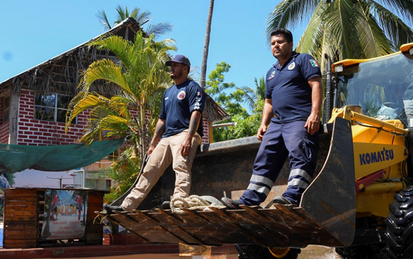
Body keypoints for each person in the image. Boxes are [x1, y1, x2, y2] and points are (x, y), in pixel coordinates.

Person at [222, 28, 322, 208]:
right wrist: (263, 123)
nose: (276, 46)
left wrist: (314, 114)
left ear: (291, 44)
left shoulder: (303, 60)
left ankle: (292, 198)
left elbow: (316, 85)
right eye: (273, 43)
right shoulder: (271, 72)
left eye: (280, 42)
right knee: (264, 157)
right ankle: (249, 201)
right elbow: (268, 102)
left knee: (300, 152)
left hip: (299, 118)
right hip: (277, 122)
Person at [105, 54, 205, 212]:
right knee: (149, 170)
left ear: (185, 69)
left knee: (181, 166)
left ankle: (179, 203)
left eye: (176, 65)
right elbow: (162, 121)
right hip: (167, 137)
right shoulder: (168, 93)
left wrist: (189, 137)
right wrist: (152, 144)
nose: (171, 68)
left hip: (185, 133)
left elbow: (196, 114)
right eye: (170, 65)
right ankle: (127, 206)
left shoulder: (193, 88)